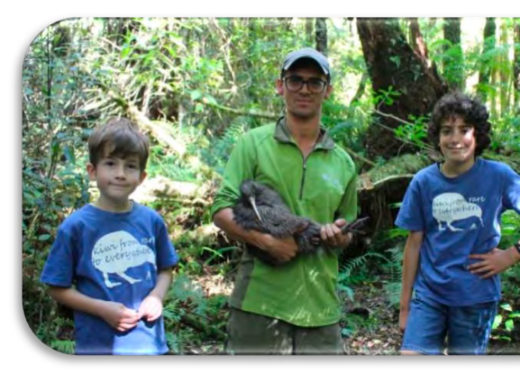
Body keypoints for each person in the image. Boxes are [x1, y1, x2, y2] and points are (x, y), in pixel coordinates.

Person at [211, 47, 357, 354]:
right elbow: (221, 209)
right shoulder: (253, 144)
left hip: (321, 306)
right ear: (281, 85)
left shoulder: (343, 162)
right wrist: (268, 242)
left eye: (314, 82)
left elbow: (348, 228)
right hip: (260, 301)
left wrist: (338, 236)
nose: (304, 88)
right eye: (295, 80)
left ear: (327, 91)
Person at [395, 92, 520, 355]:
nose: (455, 139)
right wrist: (405, 307)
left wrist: (512, 254)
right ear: (437, 137)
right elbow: (413, 244)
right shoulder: (423, 182)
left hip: (475, 297)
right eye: (446, 131)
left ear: (478, 135)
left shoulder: (498, 176)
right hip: (429, 296)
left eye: (464, 130)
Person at [40, 118, 178, 355]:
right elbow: (56, 287)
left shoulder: (151, 221)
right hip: (99, 346)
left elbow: (165, 269)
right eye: (111, 164)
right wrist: (103, 309)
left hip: (149, 344)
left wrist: (156, 296)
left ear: (142, 177)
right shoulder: (76, 227)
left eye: (131, 166)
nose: (121, 174)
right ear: (92, 171)